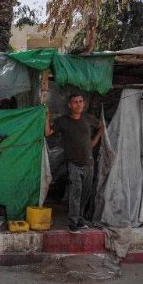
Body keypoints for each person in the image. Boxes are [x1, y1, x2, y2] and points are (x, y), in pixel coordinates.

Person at [45, 94, 103, 232]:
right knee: (75, 193)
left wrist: (94, 141)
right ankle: (72, 223)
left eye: (81, 101)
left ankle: (80, 219)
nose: (78, 104)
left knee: (85, 194)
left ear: (83, 104)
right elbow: (47, 133)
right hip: (73, 164)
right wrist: (47, 115)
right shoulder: (63, 121)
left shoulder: (88, 118)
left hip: (89, 163)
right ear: (69, 105)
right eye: (75, 102)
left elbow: (101, 126)